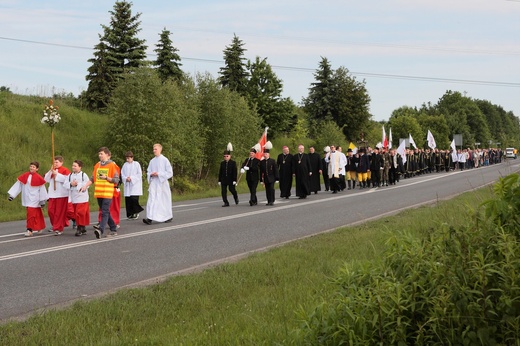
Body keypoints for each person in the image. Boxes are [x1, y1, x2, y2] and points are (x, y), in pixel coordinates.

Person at [80, 147, 120, 239]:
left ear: (107, 154)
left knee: (104, 211)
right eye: (99, 154)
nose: (100, 156)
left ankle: (100, 230)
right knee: (105, 211)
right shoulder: (97, 165)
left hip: (107, 193)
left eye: (101, 154)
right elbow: (93, 178)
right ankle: (113, 229)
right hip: (99, 193)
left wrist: (106, 178)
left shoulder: (112, 165)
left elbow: (116, 180)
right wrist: (85, 186)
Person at [8, 161, 48, 237]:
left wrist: (42, 200)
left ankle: (29, 230)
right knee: (36, 213)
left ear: (37, 169)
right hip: (26, 198)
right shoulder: (25, 176)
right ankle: (39, 227)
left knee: (30, 213)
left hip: (35, 199)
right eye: (31, 166)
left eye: (33, 167)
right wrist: (12, 196)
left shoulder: (39, 178)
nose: (31, 168)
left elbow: (42, 190)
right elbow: (18, 186)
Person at [142, 143, 173, 224]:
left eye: (155, 149)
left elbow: (170, 173)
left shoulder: (165, 160)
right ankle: (149, 217)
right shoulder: (152, 161)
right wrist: (151, 174)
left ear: (160, 149)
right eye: (153, 149)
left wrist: (159, 174)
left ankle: (167, 216)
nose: (154, 151)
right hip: (154, 183)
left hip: (162, 183)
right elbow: (148, 172)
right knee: (151, 200)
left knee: (163, 201)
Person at [44, 156, 73, 235]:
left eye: (57, 162)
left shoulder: (65, 170)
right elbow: (46, 179)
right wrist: (50, 171)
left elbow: (67, 180)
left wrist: (57, 174)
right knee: (51, 211)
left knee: (59, 212)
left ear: (61, 162)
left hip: (61, 194)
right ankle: (55, 225)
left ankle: (58, 228)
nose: (55, 164)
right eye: (54, 162)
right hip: (52, 194)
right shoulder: (52, 170)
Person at [64, 160, 90, 236]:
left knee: (80, 213)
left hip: (82, 197)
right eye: (73, 166)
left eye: (75, 166)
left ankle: (79, 227)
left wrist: (79, 185)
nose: (73, 167)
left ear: (80, 167)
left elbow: (88, 184)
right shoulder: (70, 175)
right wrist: (71, 184)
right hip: (74, 198)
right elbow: (65, 185)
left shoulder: (83, 175)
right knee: (76, 213)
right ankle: (83, 227)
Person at [121, 151, 144, 219]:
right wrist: (126, 178)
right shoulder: (125, 165)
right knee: (128, 200)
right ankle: (130, 214)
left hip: (134, 185)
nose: (127, 159)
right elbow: (122, 174)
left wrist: (131, 178)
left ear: (132, 158)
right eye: (126, 158)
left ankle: (136, 212)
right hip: (128, 185)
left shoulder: (136, 164)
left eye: (129, 158)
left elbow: (139, 174)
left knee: (134, 199)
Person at [218, 143, 239, 207]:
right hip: (224, 179)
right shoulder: (222, 163)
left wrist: (234, 180)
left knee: (232, 190)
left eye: (227, 156)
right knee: (223, 191)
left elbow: (234, 172)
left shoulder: (233, 163)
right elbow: (220, 172)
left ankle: (236, 197)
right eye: (224, 156)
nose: (225, 157)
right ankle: (226, 202)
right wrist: (219, 180)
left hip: (231, 179)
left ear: (230, 156)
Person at [259, 141, 279, 205]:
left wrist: (277, 178)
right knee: (267, 190)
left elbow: (276, 170)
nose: (265, 155)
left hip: (272, 177)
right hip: (265, 178)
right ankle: (268, 201)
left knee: (271, 189)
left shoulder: (272, 161)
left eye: (266, 154)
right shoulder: (262, 162)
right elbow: (261, 171)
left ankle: (272, 200)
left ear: (268, 154)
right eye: (264, 154)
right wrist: (261, 180)